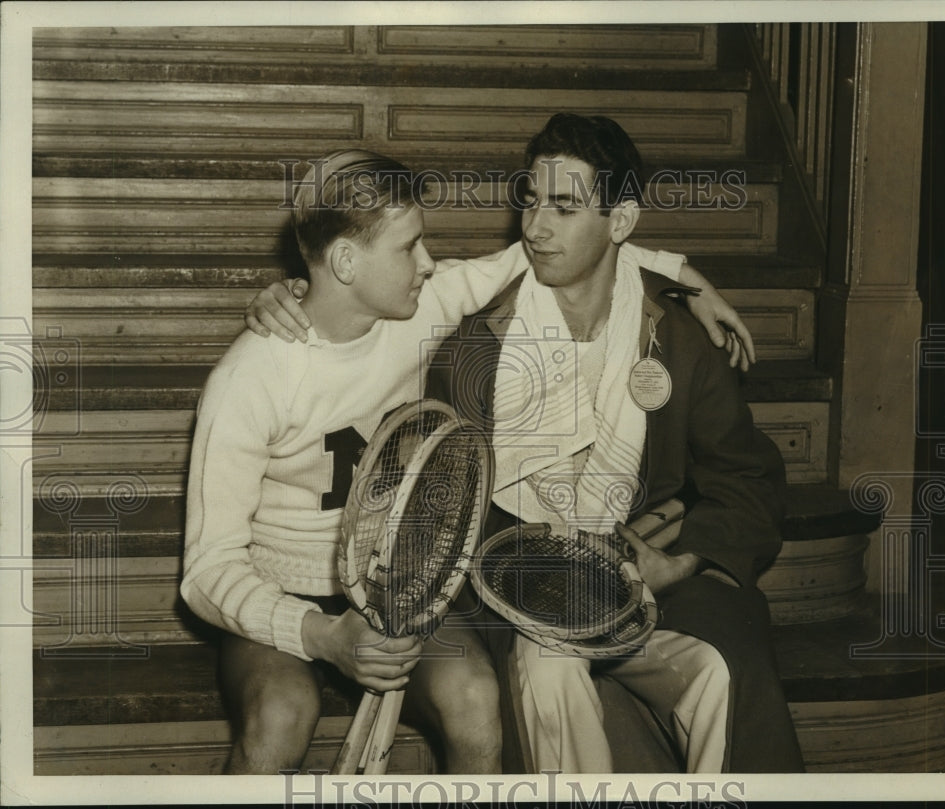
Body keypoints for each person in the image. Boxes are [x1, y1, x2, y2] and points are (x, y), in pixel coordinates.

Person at [186, 147, 739, 775]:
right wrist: (319, 633)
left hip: (402, 588)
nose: (429, 264)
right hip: (282, 596)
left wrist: (689, 280)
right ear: (345, 261)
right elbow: (207, 570)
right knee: (281, 716)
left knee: (477, 700)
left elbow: (556, 251)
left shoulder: (419, 305)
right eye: (410, 247)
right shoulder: (249, 378)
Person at [421, 113, 805, 773]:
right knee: (548, 667)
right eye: (531, 201)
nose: (536, 227)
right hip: (518, 582)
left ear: (621, 221)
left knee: (721, 670)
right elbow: (450, 508)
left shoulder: (675, 334)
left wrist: (676, 561)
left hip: (650, 580)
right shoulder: (477, 343)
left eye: (565, 207)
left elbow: (747, 480)